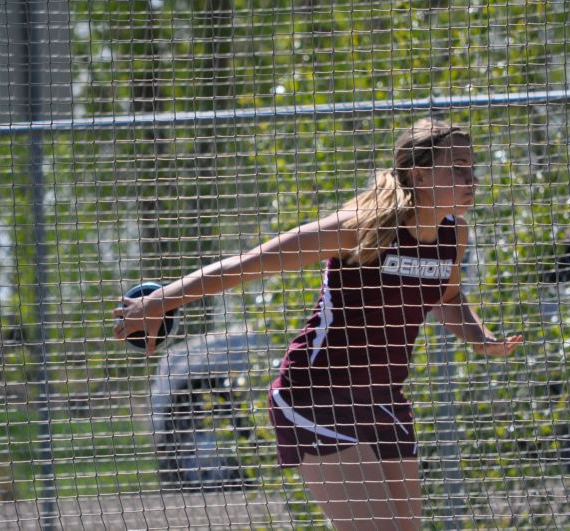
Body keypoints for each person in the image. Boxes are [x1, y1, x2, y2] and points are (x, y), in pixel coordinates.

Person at [112, 118, 523, 530]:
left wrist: (481, 338)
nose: (471, 177)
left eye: (473, 166)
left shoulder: (455, 235)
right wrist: (161, 300)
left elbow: (448, 298)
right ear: (418, 172)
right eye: (458, 166)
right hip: (316, 394)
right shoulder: (363, 226)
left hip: (381, 399)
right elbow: (249, 264)